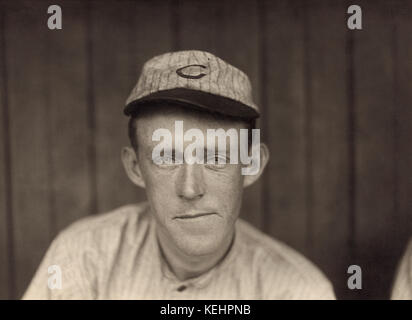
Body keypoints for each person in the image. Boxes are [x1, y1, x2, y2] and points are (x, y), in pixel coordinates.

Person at [23, 50, 335, 299]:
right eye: (167, 157)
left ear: (251, 164)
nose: (190, 188)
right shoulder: (81, 257)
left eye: (215, 156)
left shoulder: (298, 291)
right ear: (135, 168)